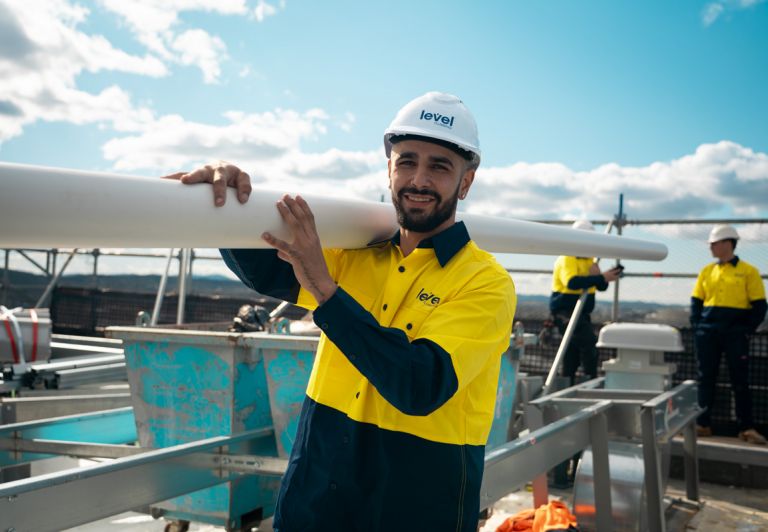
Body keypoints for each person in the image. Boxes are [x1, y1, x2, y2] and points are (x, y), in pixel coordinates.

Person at [167, 92, 517, 531]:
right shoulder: (356, 255)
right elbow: (264, 268)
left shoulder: (485, 282)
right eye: (407, 161)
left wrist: (326, 290)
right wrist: (227, 202)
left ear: (466, 182)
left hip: (410, 510)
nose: (418, 179)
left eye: (440, 166)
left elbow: (420, 384)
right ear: (389, 168)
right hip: (314, 502)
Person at [691, 224, 767, 444]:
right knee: (705, 378)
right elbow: (696, 302)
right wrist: (699, 327)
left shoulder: (749, 271)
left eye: (714, 244)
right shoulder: (707, 271)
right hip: (708, 333)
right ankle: (703, 424)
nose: (711, 248)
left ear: (727, 244)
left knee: (740, 380)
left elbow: (760, 306)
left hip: (735, 334)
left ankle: (746, 428)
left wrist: (745, 330)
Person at [548, 220, 622, 386]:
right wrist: (600, 277)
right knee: (588, 344)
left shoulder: (589, 260)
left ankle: (568, 382)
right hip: (565, 312)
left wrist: (604, 277)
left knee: (572, 351)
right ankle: (590, 380)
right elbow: (572, 282)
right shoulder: (567, 258)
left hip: (582, 312)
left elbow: (600, 286)